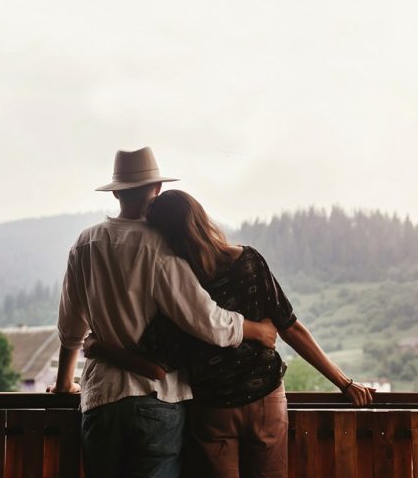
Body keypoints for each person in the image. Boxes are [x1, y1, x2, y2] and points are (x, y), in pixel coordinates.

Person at [85, 189, 374, 478]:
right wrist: (344, 384)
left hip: (213, 410)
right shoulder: (247, 262)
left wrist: (98, 347)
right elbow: (290, 327)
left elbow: (156, 366)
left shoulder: (178, 288)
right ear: (199, 217)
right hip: (265, 397)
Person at [47, 148, 278, 478]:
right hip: (157, 398)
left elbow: (70, 329)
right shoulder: (161, 245)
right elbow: (208, 323)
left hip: (100, 399)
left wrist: (63, 386)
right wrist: (256, 330)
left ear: (115, 192)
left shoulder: (85, 243)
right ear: (155, 190)